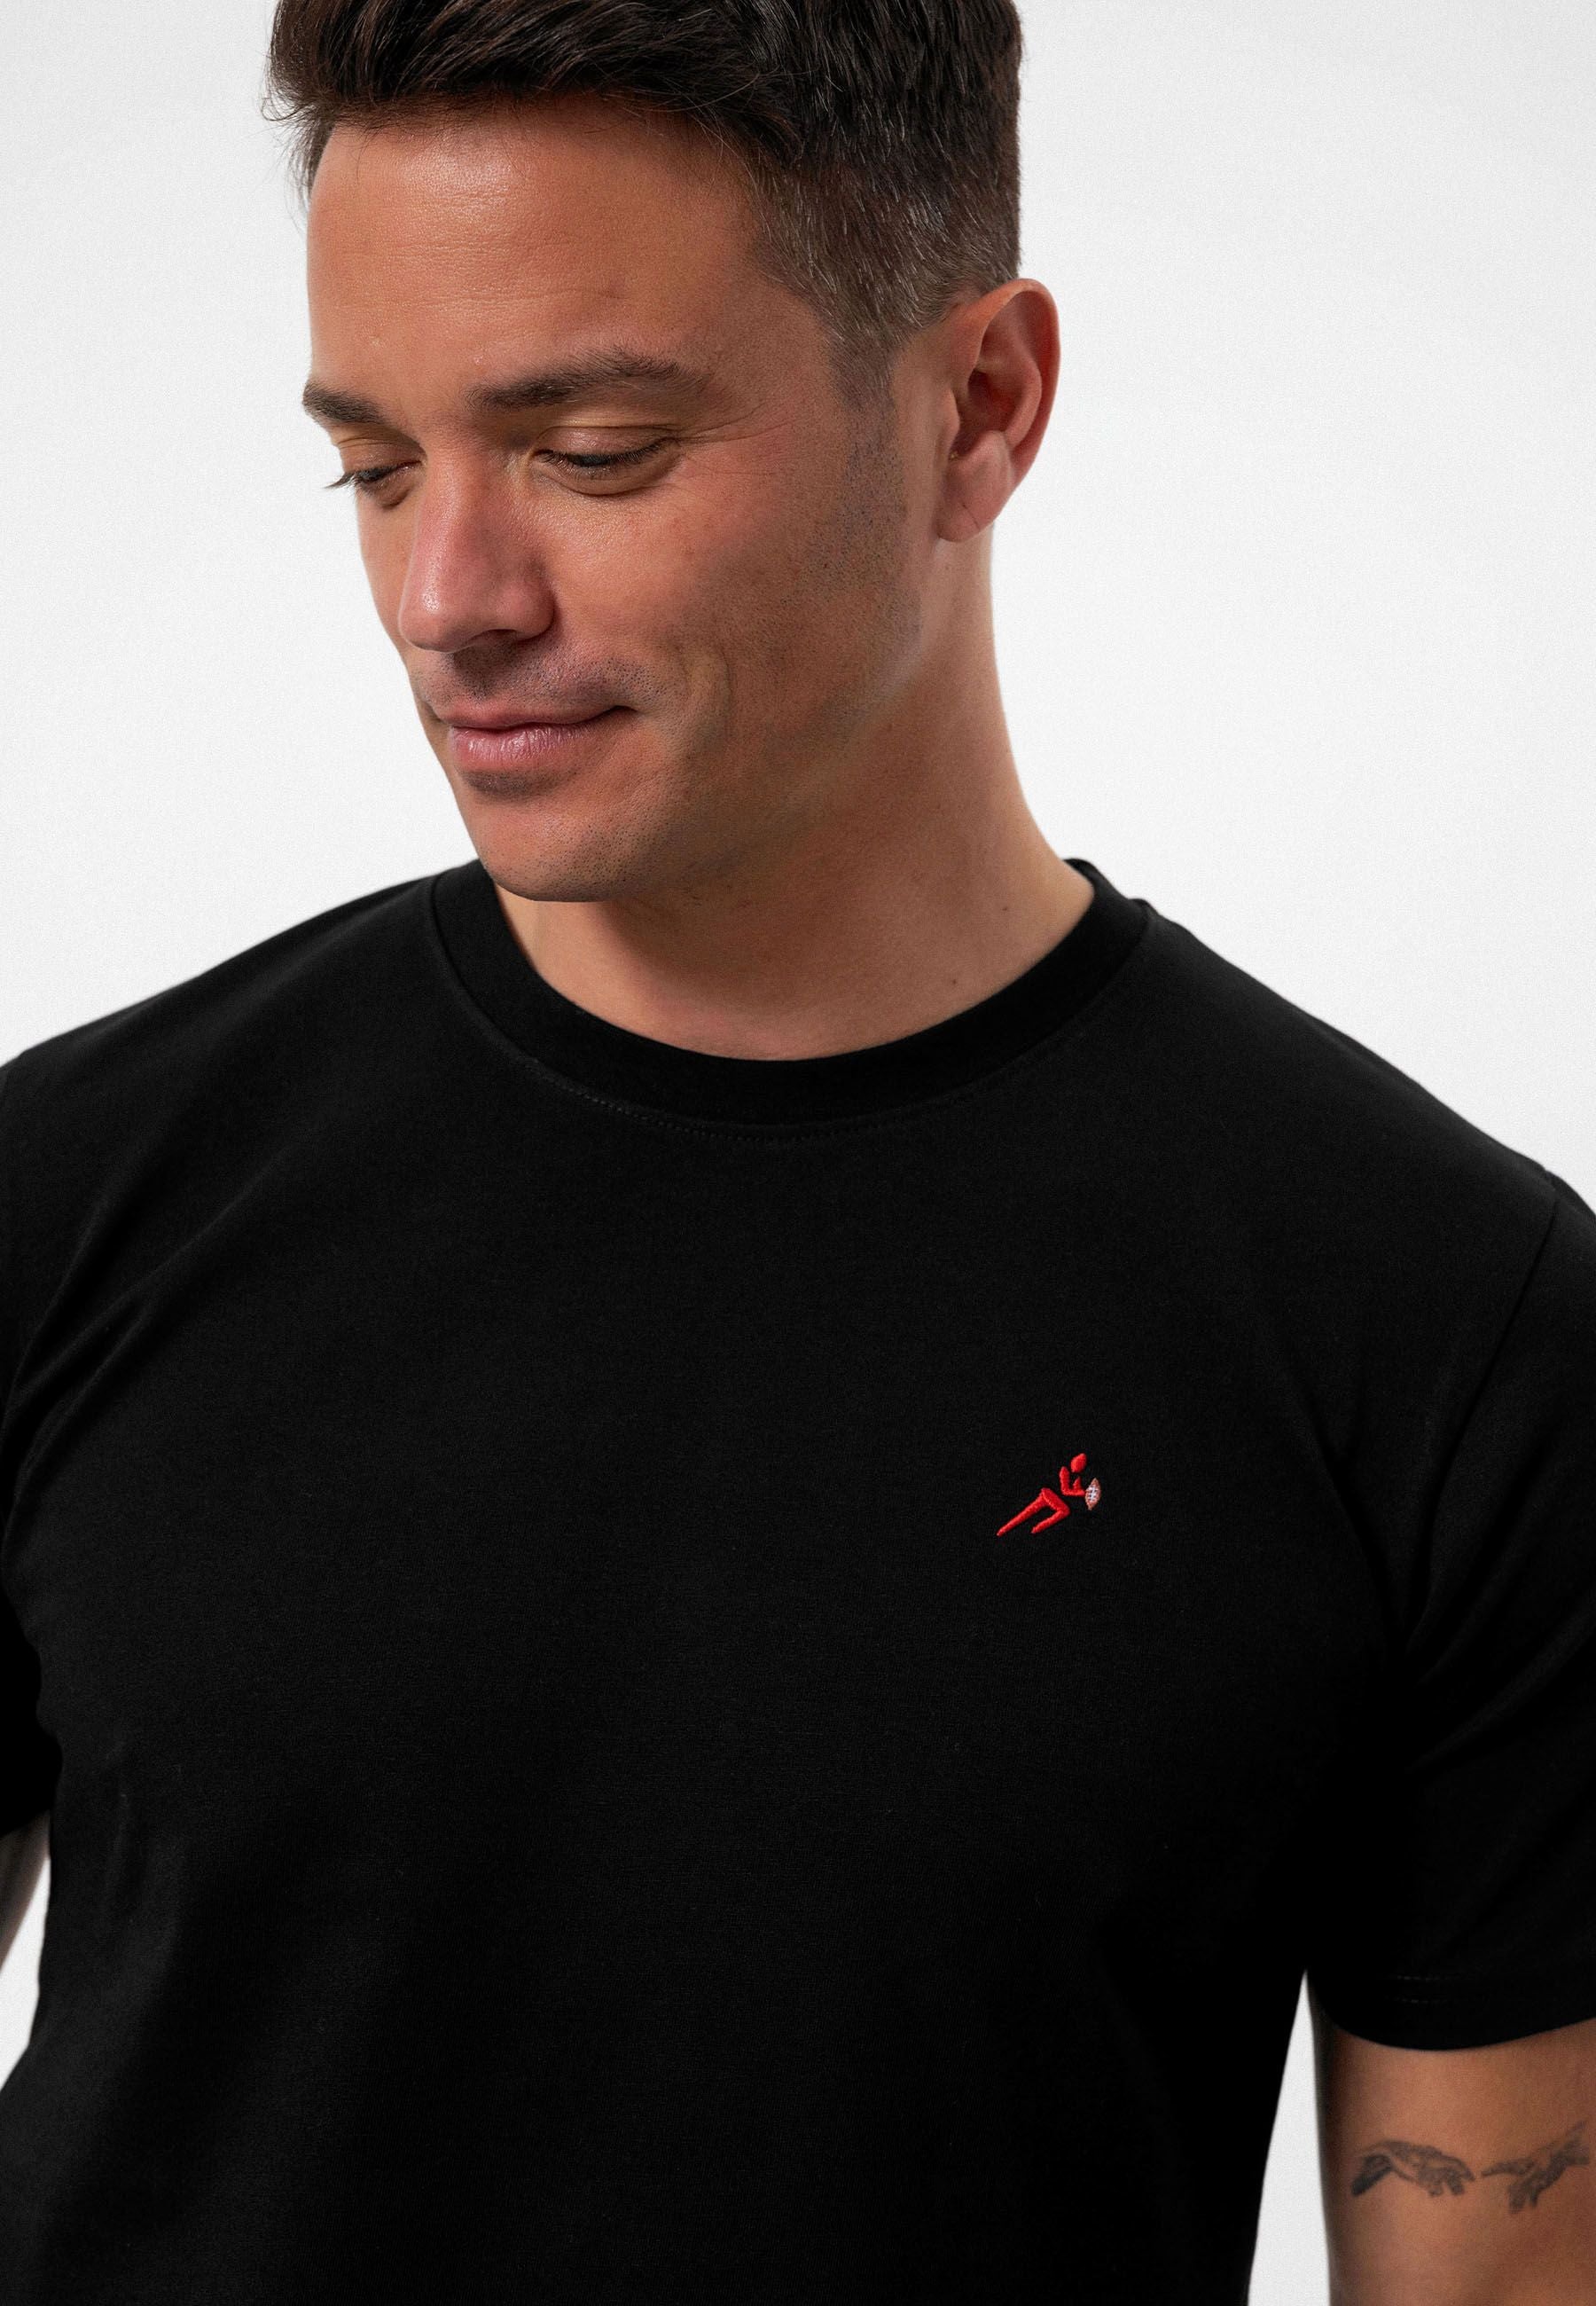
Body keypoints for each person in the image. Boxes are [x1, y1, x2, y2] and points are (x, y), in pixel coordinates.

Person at [0, 2, 1591, 2297]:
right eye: (374, 467)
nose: (450, 596)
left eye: (597, 451)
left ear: (980, 406)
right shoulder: (67, 1199)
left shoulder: (1443, 1331)